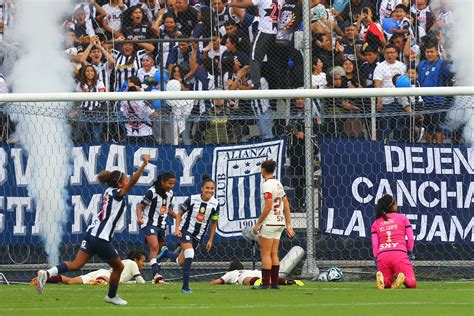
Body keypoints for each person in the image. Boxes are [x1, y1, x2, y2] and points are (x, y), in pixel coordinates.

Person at [35, 155, 150, 306]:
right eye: (126, 179)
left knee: (76, 264)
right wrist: (144, 165)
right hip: (100, 238)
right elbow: (132, 183)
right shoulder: (117, 194)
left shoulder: (109, 192)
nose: (128, 181)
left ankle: (46, 274)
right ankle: (111, 296)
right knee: (119, 267)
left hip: (91, 234)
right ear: (120, 184)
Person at [156, 176, 219, 293]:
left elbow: (214, 221)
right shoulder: (192, 199)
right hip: (186, 231)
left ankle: (166, 253)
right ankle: (185, 287)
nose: (209, 191)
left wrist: (210, 239)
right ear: (202, 188)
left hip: (198, 236)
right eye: (207, 188)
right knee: (190, 253)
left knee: (181, 262)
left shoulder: (215, 204)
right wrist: (177, 229)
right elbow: (179, 214)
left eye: (212, 188)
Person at [252, 160, 295, 289]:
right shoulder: (278, 183)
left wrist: (258, 224)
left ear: (263, 170)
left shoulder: (266, 185)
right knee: (274, 254)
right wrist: (288, 224)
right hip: (279, 222)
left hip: (269, 223)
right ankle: (274, 283)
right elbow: (286, 204)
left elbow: (268, 205)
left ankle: (265, 284)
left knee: (265, 253)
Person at [136, 172, 177, 284]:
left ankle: (157, 277)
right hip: (149, 224)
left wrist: (177, 216)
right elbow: (140, 207)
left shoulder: (170, 194)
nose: (171, 186)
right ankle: (157, 275)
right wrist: (139, 218)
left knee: (158, 252)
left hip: (161, 226)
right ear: (162, 182)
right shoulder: (152, 192)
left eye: (173, 183)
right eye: (169, 183)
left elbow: (166, 208)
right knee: (154, 247)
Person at [371, 194, 416, 289]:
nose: (397, 205)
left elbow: (375, 244)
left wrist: (376, 257)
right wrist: (410, 252)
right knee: (412, 282)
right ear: (392, 206)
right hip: (399, 254)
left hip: (382, 256)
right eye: (395, 203)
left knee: (387, 282)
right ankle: (403, 278)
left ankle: (383, 280)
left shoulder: (376, 223)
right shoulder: (403, 218)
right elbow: (411, 238)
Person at [35, 251, 147, 285]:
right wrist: (153, 283)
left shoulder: (125, 262)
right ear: (136, 260)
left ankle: (43, 278)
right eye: (143, 261)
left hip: (101, 273)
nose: (144, 264)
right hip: (106, 276)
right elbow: (141, 282)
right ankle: (98, 282)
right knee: (103, 282)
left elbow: (124, 280)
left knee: (70, 281)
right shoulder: (133, 264)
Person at [209, 259, 304, 286]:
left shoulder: (233, 273)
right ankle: (287, 281)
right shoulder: (247, 270)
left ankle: (257, 282)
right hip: (257, 272)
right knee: (271, 280)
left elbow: (218, 281)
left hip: (246, 277)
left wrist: (209, 284)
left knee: (247, 280)